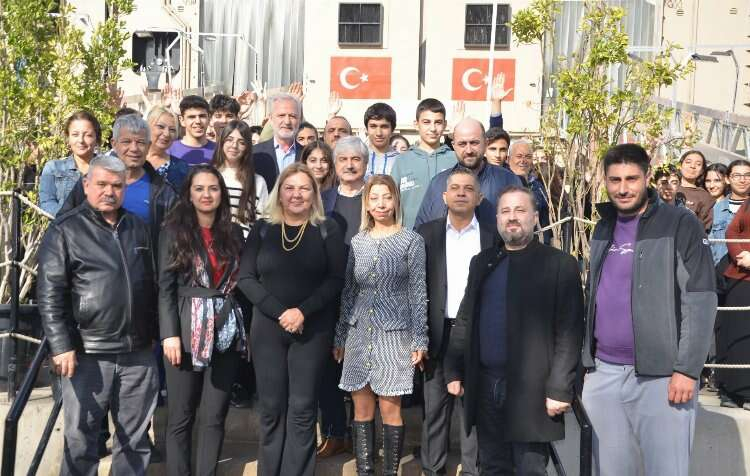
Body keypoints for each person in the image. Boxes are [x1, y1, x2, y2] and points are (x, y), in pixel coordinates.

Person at [581, 144, 716, 476]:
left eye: (631, 179)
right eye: (615, 180)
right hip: (603, 372)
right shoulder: (603, 225)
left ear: (647, 177)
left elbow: (700, 298)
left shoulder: (680, 223)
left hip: (663, 377)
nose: (622, 188)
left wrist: (687, 369)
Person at [443, 184, 583, 475]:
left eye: (520, 210)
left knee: (530, 469)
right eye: (505, 211)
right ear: (497, 219)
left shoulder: (560, 264)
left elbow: (569, 333)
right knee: (492, 467)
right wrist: (454, 369)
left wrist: (560, 388)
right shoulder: (482, 262)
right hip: (485, 387)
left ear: (535, 217)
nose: (512, 217)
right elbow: (465, 318)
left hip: (533, 391)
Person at [38, 155, 159, 475]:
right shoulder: (65, 229)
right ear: (86, 184)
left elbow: (154, 283)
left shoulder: (138, 228)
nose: (109, 191)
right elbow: (50, 293)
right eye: (102, 184)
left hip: (138, 353)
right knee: (81, 441)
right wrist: (60, 345)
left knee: (135, 441)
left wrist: (155, 333)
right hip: (87, 353)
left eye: (117, 186)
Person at [238, 163, 346, 476]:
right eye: (289, 188)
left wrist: (302, 311)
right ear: (279, 193)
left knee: (302, 408)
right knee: (271, 408)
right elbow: (245, 278)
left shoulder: (327, 229)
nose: (296, 194)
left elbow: (336, 279)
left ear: (314, 194)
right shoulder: (262, 229)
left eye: (303, 188)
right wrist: (281, 312)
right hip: (267, 330)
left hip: (312, 330)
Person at [334, 174, 428, 476]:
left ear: (396, 201)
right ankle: (365, 471)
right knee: (362, 409)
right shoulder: (358, 242)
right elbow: (349, 291)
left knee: (390, 409)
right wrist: (340, 336)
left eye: (387, 197)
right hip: (358, 335)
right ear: (366, 203)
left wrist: (420, 339)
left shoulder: (411, 241)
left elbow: (418, 291)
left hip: (395, 336)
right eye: (374, 198)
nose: (381, 203)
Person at [158, 165, 247, 475]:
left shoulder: (234, 232)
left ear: (222, 193)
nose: (206, 194)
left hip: (226, 331)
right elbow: (165, 288)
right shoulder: (173, 231)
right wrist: (169, 334)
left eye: (213, 188)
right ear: (189, 194)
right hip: (185, 331)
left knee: (214, 416)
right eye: (199, 188)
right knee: (181, 416)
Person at [416, 169, 498, 476]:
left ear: (479, 198)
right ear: (444, 196)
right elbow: (416, 287)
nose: (461, 193)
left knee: (472, 412)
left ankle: (473, 470)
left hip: (479, 335)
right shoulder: (427, 234)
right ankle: (432, 469)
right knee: (434, 412)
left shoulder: (492, 235)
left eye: (468, 188)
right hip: (438, 333)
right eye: (455, 188)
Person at [316, 136, 369, 458]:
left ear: (365, 163)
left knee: (362, 364)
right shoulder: (322, 199)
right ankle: (335, 432)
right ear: (334, 165)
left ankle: (363, 436)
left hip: (367, 291)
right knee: (328, 364)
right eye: (343, 160)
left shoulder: (376, 196)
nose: (349, 165)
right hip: (329, 290)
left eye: (356, 159)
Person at [59, 114, 178, 250]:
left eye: (140, 142)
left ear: (148, 146)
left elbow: (172, 244)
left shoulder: (163, 192)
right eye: (126, 142)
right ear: (114, 144)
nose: (134, 148)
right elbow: (62, 226)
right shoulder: (91, 182)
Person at [415, 118, 521, 229]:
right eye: (462, 144)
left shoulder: (508, 181)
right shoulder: (438, 184)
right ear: (454, 146)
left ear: (486, 143)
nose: (469, 150)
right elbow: (420, 231)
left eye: (474, 143)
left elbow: (521, 229)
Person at [390, 98, 458, 229]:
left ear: (445, 125)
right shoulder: (402, 161)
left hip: (448, 234)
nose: (433, 128)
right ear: (416, 124)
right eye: (426, 122)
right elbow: (392, 201)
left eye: (438, 122)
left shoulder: (455, 159)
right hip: (409, 235)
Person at [716, 197, 750, 410]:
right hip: (738, 276)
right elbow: (731, 231)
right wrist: (740, 256)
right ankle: (729, 390)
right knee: (733, 333)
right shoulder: (748, 203)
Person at [211, 120, 269, 234]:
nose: (234, 146)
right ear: (222, 142)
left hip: (244, 242)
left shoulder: (257, 181)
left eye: (241, 142)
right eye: (229, 140)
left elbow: (262, 221)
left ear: (247, 147)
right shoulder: (210, 175)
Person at [39, 110, 102, 215]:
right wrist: (73, 220)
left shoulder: (108, 169)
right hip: (64, 224)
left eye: (88, 135)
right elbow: (47, 203)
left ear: (97, 138)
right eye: (75, 134)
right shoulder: (53, 168)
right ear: (68, 138)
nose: (81, 140)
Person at [252, 93, 303, 190]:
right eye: (281, 115)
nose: (287, 121)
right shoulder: (254, 153)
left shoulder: (308, 155)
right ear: (271, 119)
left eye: (292, 116)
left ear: (299, 120)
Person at [507, 139, 551, 243]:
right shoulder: (503, 183)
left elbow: (544, 219)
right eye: (519, 156)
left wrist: (546, 243)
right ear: (508, 159)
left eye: (528, 157)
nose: (523, 160)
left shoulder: (538, 186)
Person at [709, 160, 750, 265]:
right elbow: (710, 243)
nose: (742, 180)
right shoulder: (716, 208)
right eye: (736, 175)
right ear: (727, 179)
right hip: (721, 269)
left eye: (747, 175)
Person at [145, 106, 190, 189]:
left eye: (172, 130)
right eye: (160, 127)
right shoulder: (132, 160)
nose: (166, 134)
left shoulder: (181, 168)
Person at [168, 95, 216, 165]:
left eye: (202, 116)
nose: (198, 121)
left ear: (209, 118)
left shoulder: (219, 151)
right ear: (182, 120)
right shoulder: (169, 150)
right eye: (192, 117)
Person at [677, 149, 713, 230]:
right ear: (680, 166)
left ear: (702, 171)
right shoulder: (668, 186)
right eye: (688, 162)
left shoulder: (705, 197)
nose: (692, 166)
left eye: (698, 164)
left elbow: (703, 228)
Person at [363, 103, 399, 177]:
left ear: (392, 130)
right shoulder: (358, 158)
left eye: (384, 127)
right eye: (373, 126)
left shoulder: (401, 161)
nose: (378, 133)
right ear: (366, 129)